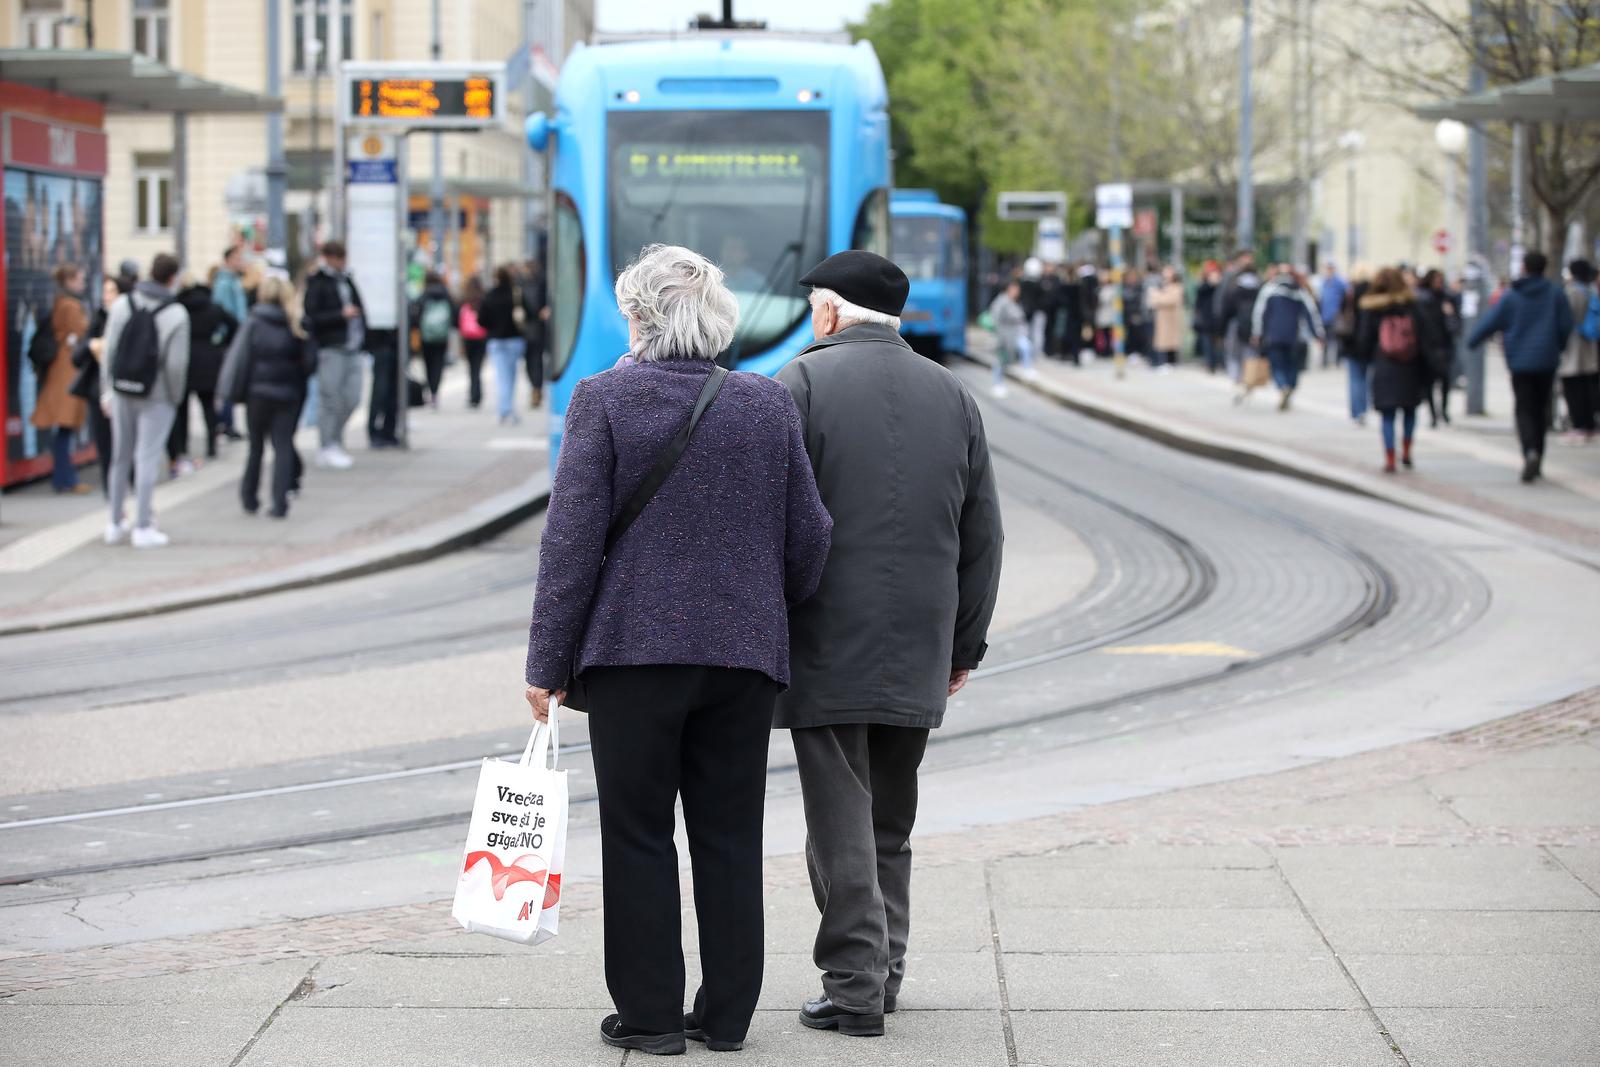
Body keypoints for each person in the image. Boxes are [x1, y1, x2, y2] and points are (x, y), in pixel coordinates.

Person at [522, 244, 832, 1056]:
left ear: (638, 316)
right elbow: (812, 539)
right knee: (729, 838)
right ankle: (727, 1016)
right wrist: (761, 608)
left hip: (631, 659)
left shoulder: (603, 400)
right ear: (720, 319)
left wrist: (545, 664)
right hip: (741, 657)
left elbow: (570, 545)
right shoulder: (766, 405)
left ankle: (654, 1019)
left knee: (637, 835)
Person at [776, 248, 1003, 1039]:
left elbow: (774, 522)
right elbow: (983, 533)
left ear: (832, 311)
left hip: (827, 635)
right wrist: (963, 643)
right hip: (922, 638)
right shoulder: (954, 394)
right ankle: (886, 970)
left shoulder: (799, 383)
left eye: (815, 307)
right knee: (889, 817)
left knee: (838, 815)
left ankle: (854, 987)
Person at [102, 252, 190, 548]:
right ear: (172, 277)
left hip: (123, 390)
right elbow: (176, 365)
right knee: (147, 458)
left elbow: (110, 351)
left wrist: (108, 389)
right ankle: (143, 526)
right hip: (157, 395)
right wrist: (175, 397)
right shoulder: (176, 314)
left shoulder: (122, 305)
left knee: (120, 457)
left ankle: (115, 523)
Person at [1466, 250, 1574, 483]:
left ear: (1524, 267)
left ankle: (1529, 452)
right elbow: (1566, 325)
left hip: (1520, 362)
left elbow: (1491, 321)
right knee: (1541, 408)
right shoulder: (1555, 293)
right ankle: (1538, 455)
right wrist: (1558, 346)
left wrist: (1472, 341)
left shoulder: (1513, 295)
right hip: (1546, 360)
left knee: (1524, 408)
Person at [222, 275, 314, 518]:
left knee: (256, 447)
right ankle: (279, 502)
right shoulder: (296, 322)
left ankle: (249, 497)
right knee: (283, 445)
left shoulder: (254, 322)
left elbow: (241, 359)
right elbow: (310, 363)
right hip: (288, 393)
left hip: (258, 393)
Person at [302, 240, 366, 468]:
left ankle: (335, 440)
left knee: (352, 397)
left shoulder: (347, 279)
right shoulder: (318, 283)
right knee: (329, 398)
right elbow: (312, 317)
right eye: (339, 257)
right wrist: (341, 315)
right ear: (329, 257)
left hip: (353, 346)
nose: (342, 262)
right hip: (331, 348)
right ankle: (328, 444)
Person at [1357, 267, 1428, 474]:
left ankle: (1390, 458)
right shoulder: (1412, 305)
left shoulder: (1372, 308)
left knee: (1387, 414)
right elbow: (1425, 334)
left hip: (1384, 364)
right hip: (1410, 364)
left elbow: (1364, 340)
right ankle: (1406, 451)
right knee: (1409, 410)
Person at [170, 270, 239, 469]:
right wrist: (220, 343)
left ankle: (182, 447)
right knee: (208, 406)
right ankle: (211, 445)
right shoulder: (212, 307)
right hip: (208, 358)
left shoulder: (179, 307)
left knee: (182, 408)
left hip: (185, 358)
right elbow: (233, 324)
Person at [32, 264, 91, 494]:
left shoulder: (61, 302)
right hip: (67, 370)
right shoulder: (70, 305)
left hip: (62, 368)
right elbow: (82, 332)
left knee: (64, 430)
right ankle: (65, 478)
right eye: (80, 278)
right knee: (65, 428)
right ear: (69, 280)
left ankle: (64, 477)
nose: (83, 283)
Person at [72, 274, 128, 494]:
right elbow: (77, 357)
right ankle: (111, 492)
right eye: (104, 291)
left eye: (111, 291)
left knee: (125, 444)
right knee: (105, 444)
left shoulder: (130, 319)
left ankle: (126, 486)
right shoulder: (98, 319)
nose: (106, 296)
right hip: (99, 392)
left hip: (124, 390)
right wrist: (91, 346)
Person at [1251, 262, 1323, 410]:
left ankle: (1283, 386)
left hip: (1273, 335)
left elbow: (1259, 313)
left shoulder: (1269, 289)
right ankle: (1290, 386)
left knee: (1277, 365)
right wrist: (1318, 334)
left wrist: (1257, 333)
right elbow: (1312, 313)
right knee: (1292, 365)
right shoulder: (1299, 291)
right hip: (1293, 336)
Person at [478, 264, 527, 425]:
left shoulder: (489, 295)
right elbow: (530, 312)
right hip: (514, 339)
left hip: (496, 340)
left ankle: (504, 410)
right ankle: (508, 409)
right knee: (511, 376)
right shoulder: (515, 294)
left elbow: (481, 320)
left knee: (501, 376)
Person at [212, 244, 250, 440]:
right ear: (228, 260)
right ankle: (225, 422)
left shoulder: (233, 280)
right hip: (230, 338)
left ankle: (226, 422)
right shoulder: (225, 282)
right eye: (237, 259)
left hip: (236, 335)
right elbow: (223, 312)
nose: (240, 262)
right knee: (228, 380)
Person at [1560, 259, 1598, 443]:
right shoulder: (1591, 290)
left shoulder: (1572, 291)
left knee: (1573, 389)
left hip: (1574, 347)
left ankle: (1579, 426)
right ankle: (1590, 425)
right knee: (1588, 387)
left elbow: (1566, 318)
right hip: (1590, 346)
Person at [1414, 269, 1458, 427]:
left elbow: (1455, 326)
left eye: (1441, 280)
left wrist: (1450, 314)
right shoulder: (1423, 299)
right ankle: (1433, 414)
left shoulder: (1447, 298)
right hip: (1429, 346)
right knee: (1430, 382)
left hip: (1444, 345)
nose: (1439, 283)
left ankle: (1444, 411)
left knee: (1445, 381)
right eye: (1436, 280)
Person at [1215, 249, 1261, 381]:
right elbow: (1223, 303)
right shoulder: (1232, 279)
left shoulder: (1256, 281)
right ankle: (1242, 379)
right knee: (1240, 352)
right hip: (1237, 321)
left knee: (1241, 353)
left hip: (1245, 322)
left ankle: (1242, 379)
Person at [411, 271, 454, 408]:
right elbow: (454, 312)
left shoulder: (423, 295)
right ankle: (435, 391)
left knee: (428, 364)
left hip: (426, 336)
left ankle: (431, 389)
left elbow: (415, 314)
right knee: (439, 363)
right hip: (442, 336)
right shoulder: (446, 294)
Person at [987, 279, 1028, 398]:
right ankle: (997, 385)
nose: (1017, 291)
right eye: (1015, 289)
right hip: (1003, 337)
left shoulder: (1010, 301)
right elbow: (995, 318)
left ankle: (999, 384)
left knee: (1003, 361)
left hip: (1010, 336)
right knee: (999, 361)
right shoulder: (1002, 301)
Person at [458, 275, 489, 408]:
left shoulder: (465, 299)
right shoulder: (483, 299)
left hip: (468, 338)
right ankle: (477, 394)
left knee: (471, 368)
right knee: (478, 367)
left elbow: (457, 320)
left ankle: (473, 394)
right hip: (481, 337)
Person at [522, 259, 549, 409]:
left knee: (532, 361)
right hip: (537, 328)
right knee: (536, 360)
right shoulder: (542, 282)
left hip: (528, 329)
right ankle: (536, 389)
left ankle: (535, 389)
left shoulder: (524, 284)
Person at [1148, 265, 1185, 371]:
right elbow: (1153, 300)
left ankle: (1169, 363)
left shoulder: (1177, 286)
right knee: (1161, 342)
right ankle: (1162, 362)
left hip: (1172, 319)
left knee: (1169, 342)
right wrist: (1158, 297)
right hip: (1162, 318)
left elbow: (1170, 300)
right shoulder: (1162, 286)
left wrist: (1158, 296)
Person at [1194, 261, 1223, 373]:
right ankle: (1210, 363)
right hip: (1206, 318)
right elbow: (1199, 299)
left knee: (1218, 343)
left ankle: (1217, 362)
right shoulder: (1204, 285)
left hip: (1218, 318)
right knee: (1207, 342)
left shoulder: (1221, 285)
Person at [1318, 260, 1348, 367]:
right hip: (1325, 315)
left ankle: (1337, 360)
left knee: (1337, 339)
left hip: (1336, 314)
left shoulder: (1339, 282)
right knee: (1325, 338)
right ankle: (1324, 360)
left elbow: (1346, 295)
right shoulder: (1324, 282)